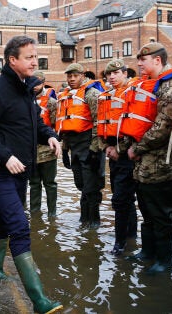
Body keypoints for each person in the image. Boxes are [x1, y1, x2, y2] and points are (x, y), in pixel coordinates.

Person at [0, 35, 63, 314]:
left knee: (5, 221)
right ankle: (40, 301)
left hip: (19, 171)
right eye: (28, 57)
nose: (35, 61)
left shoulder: (24, 89)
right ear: (12, 60)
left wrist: (50, 136)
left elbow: (34, 122)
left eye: (36, 56)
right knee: (20, 225)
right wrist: (5, 156)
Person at [123, 43, 172, 274]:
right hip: (143, 166)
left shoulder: (170, 87)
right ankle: (147, 252)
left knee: (162, 215)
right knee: (146, 212)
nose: (139, 63)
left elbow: (163, 127)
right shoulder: (147, 85)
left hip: (161, 164)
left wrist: (138, 148)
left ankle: (164, 261)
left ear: (157, 61)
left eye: (143, 59)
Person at [96, 59, 138, 256]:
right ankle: (131, 236)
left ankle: (120, 242)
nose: (111, 77)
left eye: (116, 73)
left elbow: (136, 126)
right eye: (108, 74)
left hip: (127, 154)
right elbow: (102, 126)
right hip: (113, 153)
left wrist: (119, 149)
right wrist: (106, 146)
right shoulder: (106, 97)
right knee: (123, 198)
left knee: (121, 199)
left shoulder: (133, 93)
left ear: (125, 73)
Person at [56, 63, 105, 229]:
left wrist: (95, 149)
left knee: (91, 186)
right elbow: (66, 125)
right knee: (81, 184)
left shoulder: (91, 94)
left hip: (88, 145)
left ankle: (93, 221)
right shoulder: (68, 96)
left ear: (82, 75)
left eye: (75, 76)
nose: (71, 79)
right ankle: (84, 219)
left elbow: (99, 121)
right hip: (74, 145)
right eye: (69, 76)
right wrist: (64, 150)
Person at [29, 71, 59, 217]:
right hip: (30, 150)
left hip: (48, 150)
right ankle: (35, 214)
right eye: (32, 83)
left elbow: (55, 124)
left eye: (38, 83)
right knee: (34, 184)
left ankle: (52, 214)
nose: (35, 86)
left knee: (50, 183)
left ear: (43, 83)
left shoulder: (51, 102)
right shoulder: (25, 100)